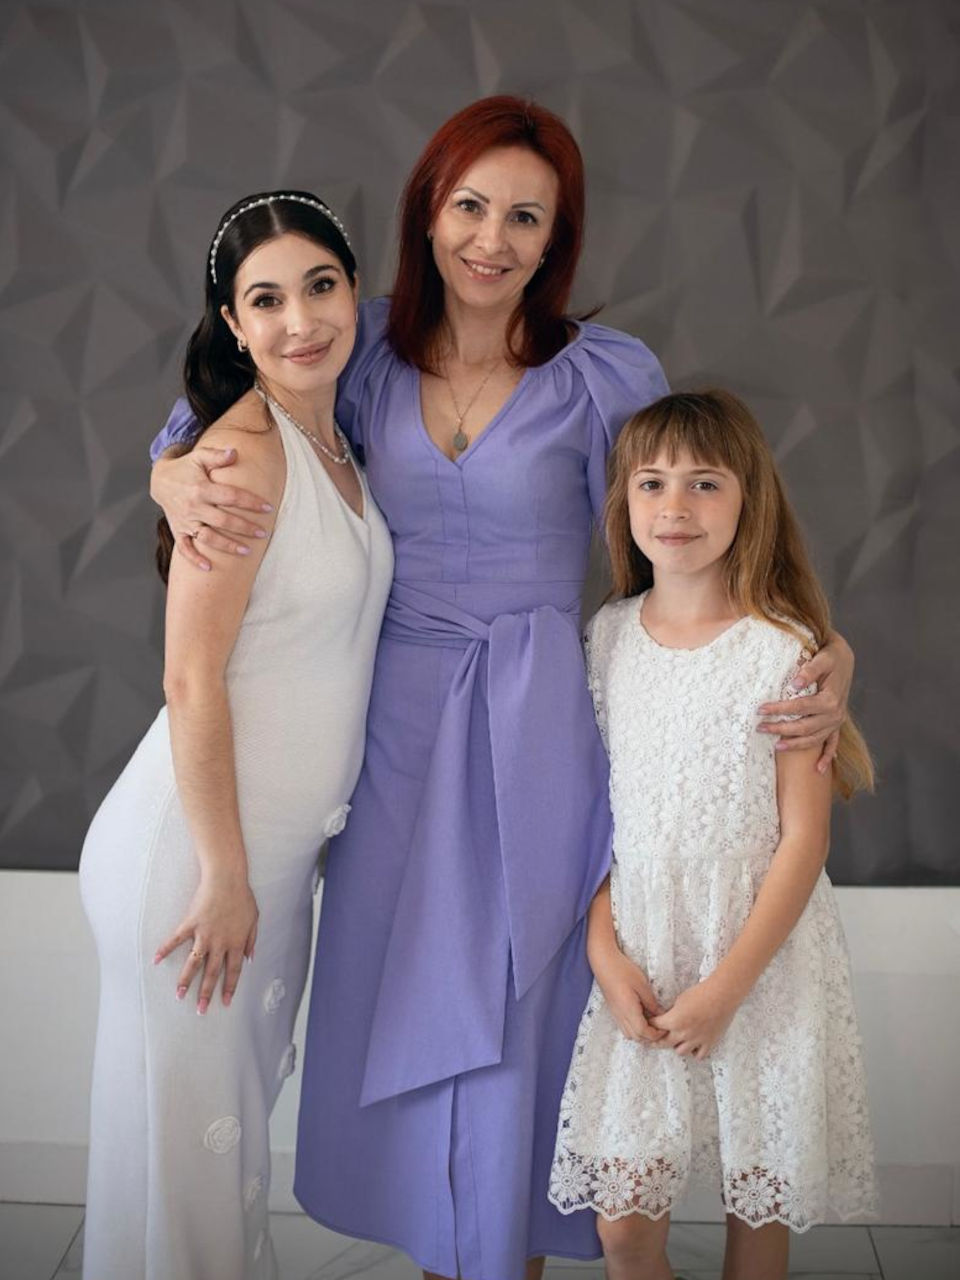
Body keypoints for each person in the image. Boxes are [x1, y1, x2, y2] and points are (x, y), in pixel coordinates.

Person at [149, 99, 855, 1280]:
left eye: (526, 216)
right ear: (428, 214)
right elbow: (219, 412)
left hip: (539, 726)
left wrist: (832, 648)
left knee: (527, 1009)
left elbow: (706, 514)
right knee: (411, 992)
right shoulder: (362, 348)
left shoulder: (605, 374)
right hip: (391, 731)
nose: (492, 237)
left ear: (556, 236)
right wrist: (170, 477)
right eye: (470, 205)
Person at [79, 190, 393, 1280]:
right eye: (267, 300)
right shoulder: (242, 457)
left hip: (266, 862)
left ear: (357, 292)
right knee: (194, 1177)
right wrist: (221, 872)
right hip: (198, 862)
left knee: (214, 1162)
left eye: (321, 286)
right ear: (232, 321)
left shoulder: (335, 437)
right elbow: (189, 675)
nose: (301, 320)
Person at [548, 389, 878, 1280]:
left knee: (756, 1205)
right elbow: (595, 825)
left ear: (748, 499)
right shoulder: (607, 639)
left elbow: (803, 842)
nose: (675, 507)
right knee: (624, 1229)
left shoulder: (785, 650)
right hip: (644, 951)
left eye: (704, 483)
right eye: (651, 483)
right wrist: (605, 953)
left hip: (761, 959)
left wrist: (729, 988)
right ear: (623, 501)